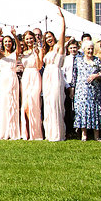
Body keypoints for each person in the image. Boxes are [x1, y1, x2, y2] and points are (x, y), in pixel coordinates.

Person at [73, 40, 101, 141]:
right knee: (83, 111)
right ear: (83, 50)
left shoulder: (97, 60)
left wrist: (96, 75)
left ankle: (96, 135)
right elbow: (74, 75)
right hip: (81, 90)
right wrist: (72, 88)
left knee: (95, 111)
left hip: (94, 91)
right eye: (88, 49)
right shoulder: (78, 60)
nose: (90, 51)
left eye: (92, 49)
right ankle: (84, 134)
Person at [42, 11, 67, 142]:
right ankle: (49, 133)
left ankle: (58, 133)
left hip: (56, 75)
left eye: (50, 37)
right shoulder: (47, 51)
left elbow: (62, 33)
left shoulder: (59, 47)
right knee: (48, 104)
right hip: (46, 76)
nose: (49, 39)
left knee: (56, 102)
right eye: (46, 38)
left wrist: (62, 20)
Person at [0, 30, 21, 140]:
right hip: (3, 80)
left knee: (13, 104)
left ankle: (13, 131)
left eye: (9, 41)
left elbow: (19, 48)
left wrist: (15, 35)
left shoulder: (15, 53)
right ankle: (3, 131)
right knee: (3, 105)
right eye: (5, 42)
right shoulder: (0, 54)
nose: (7, 43)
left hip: (13, 79)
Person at [19, 30, 44, 140]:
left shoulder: (39, 50)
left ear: (34, 39)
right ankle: (26, 132)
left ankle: (36, 132)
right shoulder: (23, 52)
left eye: (30, 38)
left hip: (35, 75)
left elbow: (39, 66)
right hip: (25, 77)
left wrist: (38, 54)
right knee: (25, 105)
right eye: (27, 38)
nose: (29, 40)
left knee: (33, 104)